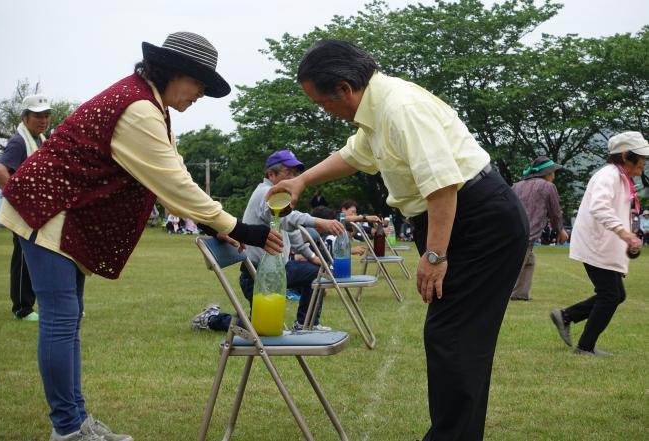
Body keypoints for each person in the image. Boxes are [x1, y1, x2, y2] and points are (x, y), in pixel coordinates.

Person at [0, 32, 283, 441]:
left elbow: (174, 177)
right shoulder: (139, 109)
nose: (199, 95)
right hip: (48, 210)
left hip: (64, 214)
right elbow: (177, 185)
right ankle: (68, 429)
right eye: (198, 85)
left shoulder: (153, 107)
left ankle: (75, 422)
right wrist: (239, 227)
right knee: (61, 321)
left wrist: (213, 223)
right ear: (175, 73)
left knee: (68, 319)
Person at [267, 40, 529, 441]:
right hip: (462, 217)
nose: (326, 112)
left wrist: (435, 254)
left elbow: (443, 185)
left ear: (343, 88)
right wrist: (301, 179)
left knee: (455, 337)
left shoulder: (399, 108)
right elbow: (353, 155)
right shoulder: (377, 111)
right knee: (454, 337)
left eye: (322, 103)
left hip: (478, 221)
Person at [191, 149, 343, 332]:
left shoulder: (280, 197)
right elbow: (287, 218)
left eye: (296, 174)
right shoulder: (265, 193)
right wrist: (317, 221)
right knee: (260, 328)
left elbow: (290, 230)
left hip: (274, 271)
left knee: (262, 326)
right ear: (271, 173)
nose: (294, 178)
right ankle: (211, 319)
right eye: (289, 173)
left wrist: (311, 255)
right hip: (257, 274)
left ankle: (305, 324)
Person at [550, 131, 647, 356]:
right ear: (625, 156)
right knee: (610, 295)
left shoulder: (621, 178)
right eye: (640, 158)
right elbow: (600, 208)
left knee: (616, 295)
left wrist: (627, 238)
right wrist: (625, 234)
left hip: (604, 244)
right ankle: (585, 347)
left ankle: (566, 316)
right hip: (596, 244)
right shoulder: (609, 175)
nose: (643, 163)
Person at [0, 94, 52, 321]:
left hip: (35, 211)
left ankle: (35, 304)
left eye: (46, 115)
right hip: (21, 212)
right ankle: (22, 308)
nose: (43, 119)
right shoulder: (19, 141)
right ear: (25, 117)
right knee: (24, 256)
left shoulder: (39, 139)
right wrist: (20, 201)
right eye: (37, 115)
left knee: (36, 256)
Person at [510, 156, 569, 300]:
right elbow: (555, 213)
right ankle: (501, 295)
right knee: (514, 267)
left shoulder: (516, 185)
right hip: (527, 233)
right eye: (553, 172)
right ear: (547, 173)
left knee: (529, 261)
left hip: (511, 230)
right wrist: (560, 230)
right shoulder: (548, 187)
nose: (554, 176)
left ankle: (520, 293)